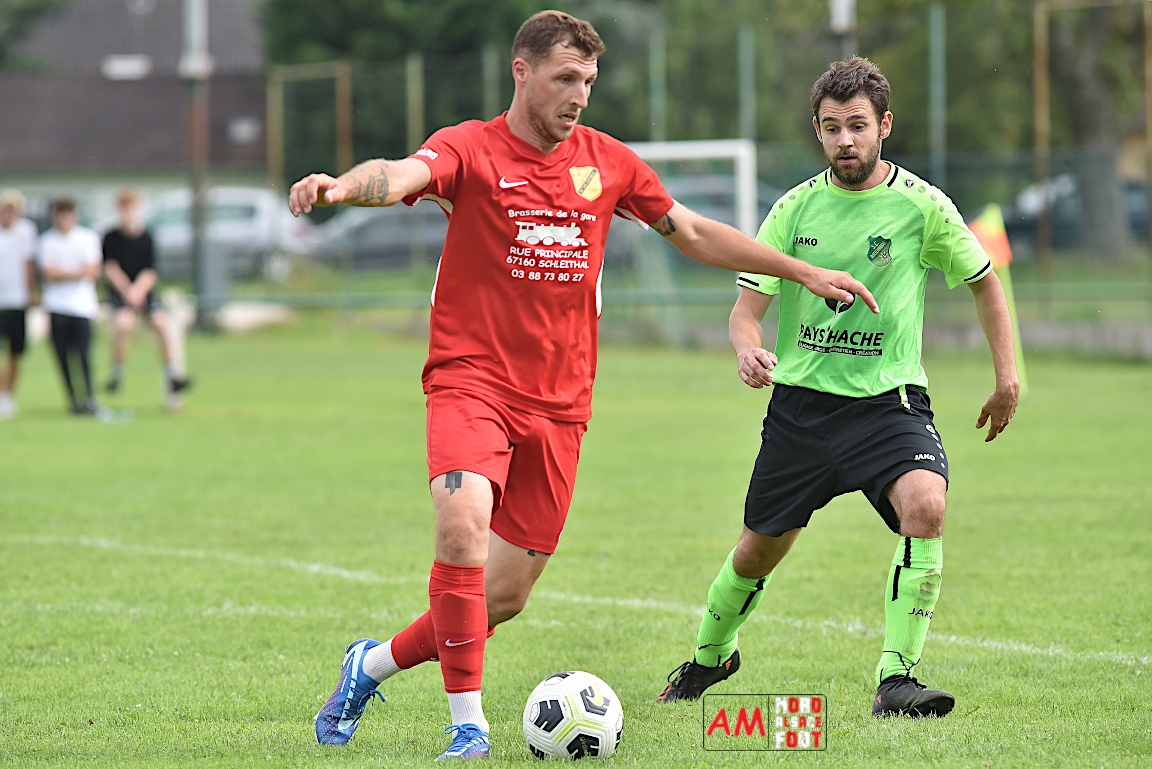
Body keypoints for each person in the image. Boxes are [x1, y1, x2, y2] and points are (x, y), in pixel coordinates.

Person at [289, 12, 878, 761]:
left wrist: (801, 270)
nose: (580, 95)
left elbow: (694, 232)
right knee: (463, 528)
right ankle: (468, 727)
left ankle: (369, 666)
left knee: (502, 596)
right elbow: (402, 174)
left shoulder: (608, 162)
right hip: (472, 381)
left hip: (561, 404)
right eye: (565, 78)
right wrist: (340, 187)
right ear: (522, 72)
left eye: (589, 81)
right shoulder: (470, 148)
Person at [655, 58, 1019, 719]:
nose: (844, 140)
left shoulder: (923, 206)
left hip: (888, 404)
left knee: (926, 505)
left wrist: (1007, 377)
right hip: (801, 410)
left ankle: (896, 679)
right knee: (755, 552)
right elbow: (745, 313)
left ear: (884, 125)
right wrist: (747, 349)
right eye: (831, 128)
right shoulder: (794, 208)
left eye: (857, 125)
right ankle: (712, 655)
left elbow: (985, 281)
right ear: (817, 131)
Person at [102, 188, 190, 396]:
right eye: (124, 208)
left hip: (142, 290)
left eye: (131, 208)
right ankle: (116, 374)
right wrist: (128, 291)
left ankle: (172, 373)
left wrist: (138, 291)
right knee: (123, 323)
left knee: (161, 322)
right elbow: (110, 269)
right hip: (121, 291)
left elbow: (150, 272)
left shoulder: (146, 237)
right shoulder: (110, 237)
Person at [39, 198, 102, 415]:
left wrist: (64, 273)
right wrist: (77, 272)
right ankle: (73, 398)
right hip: (57, 306)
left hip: (82, 307)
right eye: (60, 213)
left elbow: (93, 269)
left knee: (83, 354)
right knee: (62, 356)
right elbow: (49, 273)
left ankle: (89, 397)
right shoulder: (47, 241)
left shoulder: (87, 237)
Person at [0, 189, 38, 419]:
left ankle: (8, 395)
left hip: (17, 301)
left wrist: (30, 291)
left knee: (15, 352)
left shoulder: (26, 231)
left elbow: (28, 262)